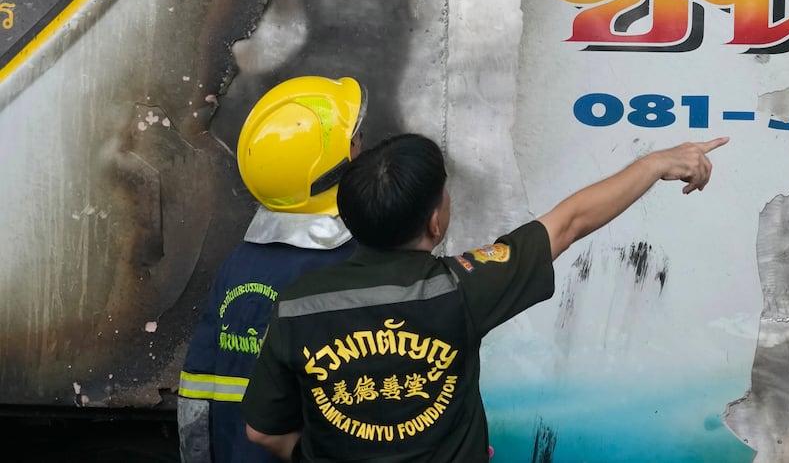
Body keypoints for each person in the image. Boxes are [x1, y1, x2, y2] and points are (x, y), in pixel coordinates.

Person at [240, 132, 729, 461]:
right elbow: (570, 221)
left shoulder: (298, 304)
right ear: (436, 222)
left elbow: (264, 431)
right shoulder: (460, 286)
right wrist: (656, 162)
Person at [178, 76, 367, 463]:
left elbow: (195, 396)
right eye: (355, 139)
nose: (361, 146)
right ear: (332, 167)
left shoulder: (238, 266)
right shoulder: (351, 268)